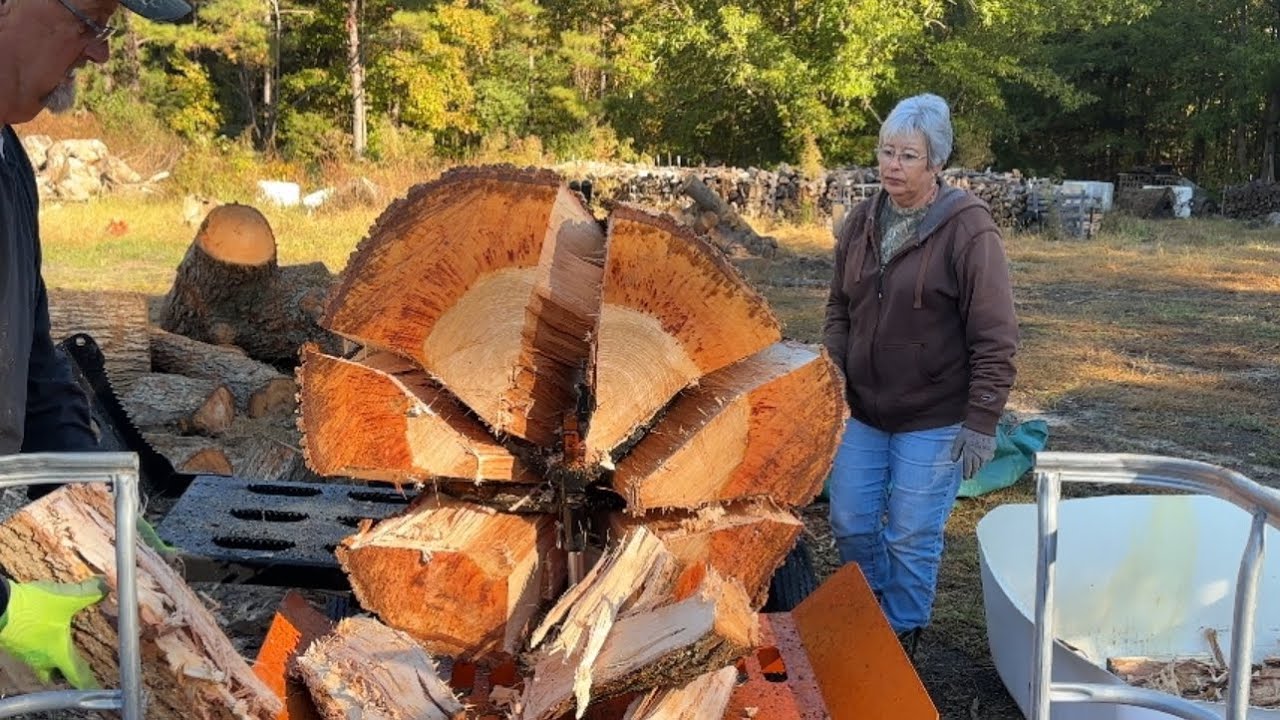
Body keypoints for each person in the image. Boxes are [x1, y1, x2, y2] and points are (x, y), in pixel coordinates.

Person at [0, 0, 190, 689]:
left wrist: (95, 500)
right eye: (90, 22)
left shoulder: (7, 160)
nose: (99, 52)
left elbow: (33, 365)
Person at [823, 93, 1018, 654]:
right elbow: (839, 307)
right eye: (887, 151)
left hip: (935, 413)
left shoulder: (968, 229)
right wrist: (832, 372)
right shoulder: (861, 221)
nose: (893, 165)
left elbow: (996, 333)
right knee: (850, 520)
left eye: (909, 156)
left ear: (937, 162)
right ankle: (871, 613)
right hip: (863, 407)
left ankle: (903, 630)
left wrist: (981, 420)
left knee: (910, 532)